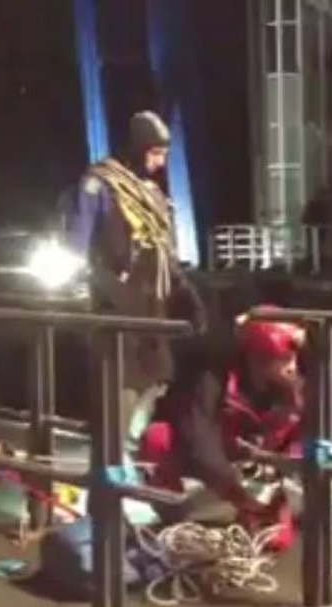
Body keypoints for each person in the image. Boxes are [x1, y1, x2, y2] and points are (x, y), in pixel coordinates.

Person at [66, 110, 208, 428]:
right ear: (137, 148)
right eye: (155, 153)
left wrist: (187, 293)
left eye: (164, 155)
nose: (159, 163)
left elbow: (165, 252)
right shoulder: (98, 185)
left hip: (152, 306)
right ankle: (113, 463)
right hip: (116, 307)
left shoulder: (154, 196)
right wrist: (93, 289)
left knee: (159, 379)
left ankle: (131, 452)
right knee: (122, 389)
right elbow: (77, 244)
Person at [133, 308, 305, 551]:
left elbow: (300, 441)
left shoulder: (297, 390)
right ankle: (175, 522)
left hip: (261, 463)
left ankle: (256, 515)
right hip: (216, 453)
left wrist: (284, 478)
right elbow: (197, 438)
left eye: (293, 359)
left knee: (274, 541)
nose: (292, 367)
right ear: (259, 358)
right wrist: (233, 488)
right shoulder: (212, 377)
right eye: (284, 360)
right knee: (157, 438)